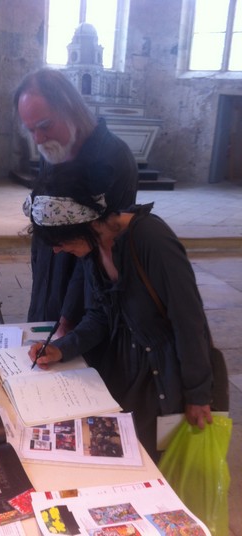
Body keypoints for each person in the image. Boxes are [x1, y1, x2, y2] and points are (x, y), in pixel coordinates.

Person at [23, 165, 228, 462]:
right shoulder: (93, 249)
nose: (57, 250)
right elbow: (99, 316)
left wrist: (198, 394)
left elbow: (189, 321)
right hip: (122, 372)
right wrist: (62, 348)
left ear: (85, 224)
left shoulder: (151, 240)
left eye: (61, 241)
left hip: (163, 379)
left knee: (158, 461)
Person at [14, 68, 138, 335]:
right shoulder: (52, 149)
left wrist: (68, 317)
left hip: (88, 313)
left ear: (71, 109)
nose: (38, 139)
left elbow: (104, 247)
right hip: (47, 290)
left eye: (44, 126)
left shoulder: (113, 159)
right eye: (31, 130)